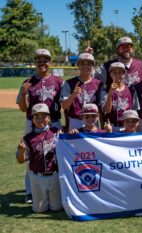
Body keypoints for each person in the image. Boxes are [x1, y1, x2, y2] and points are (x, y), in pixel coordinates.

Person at [16, 48, 63, 204]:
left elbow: (65, 103)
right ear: (35, 62)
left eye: (45, 59)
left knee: (56, 155)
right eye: (39, 59)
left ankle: (58, 188)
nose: (42, 62)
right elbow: (23, 108)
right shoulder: (28, 82)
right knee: (33, 155)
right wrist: (23, 94)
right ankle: (30, 191)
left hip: (54, 121)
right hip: (32, 122)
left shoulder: (58, 81)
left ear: (50, 62)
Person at [16, 103, 63, 213]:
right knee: (39, 210)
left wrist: (70, 136)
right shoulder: (28, 138)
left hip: (55, 175)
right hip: (37, 177)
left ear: (49, 118)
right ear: (32, 119)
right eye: (37, 117)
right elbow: (20, 160)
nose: (40, 119)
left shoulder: (56, 133)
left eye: (44, 116)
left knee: (57, 208)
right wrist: (21, 151)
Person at [60, 53, 103, 131]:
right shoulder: (69, 83)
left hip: (92, 121)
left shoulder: (99, 84)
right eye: (82, 63)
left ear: (93, 66)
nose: (85, 66)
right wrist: (73, 95)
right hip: (75, 121)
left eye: (89, 64)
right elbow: (64, 106)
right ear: (78, 65)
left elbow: (102, 107)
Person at [101, 62, 138, 132]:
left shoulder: (131, 90)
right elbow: (107, 110)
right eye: (114, 72)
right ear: (110, 74)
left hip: (128, 126)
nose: (117, 74)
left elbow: (135, 109)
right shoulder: (105, 89)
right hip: (112, 127)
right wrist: (110, 93)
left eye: (120, 72)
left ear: (124, 74)